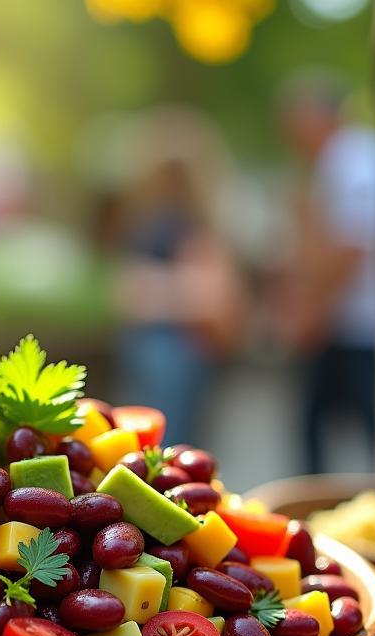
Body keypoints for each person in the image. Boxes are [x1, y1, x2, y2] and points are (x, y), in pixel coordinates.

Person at [277, 76, 375, 473]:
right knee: (322, 427)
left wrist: (312, 312)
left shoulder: (351, 159)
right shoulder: (346, 158)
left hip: (359, 325)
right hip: (349, 322)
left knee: (365, 429)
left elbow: (352, 246)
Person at [108, 108, 246, 446]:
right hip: (176, 350)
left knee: (161, 445)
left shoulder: (167, 225)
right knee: (174, 445)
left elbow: (209, 294)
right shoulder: (184, 223)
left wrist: (152, 289)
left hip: (169, 348)